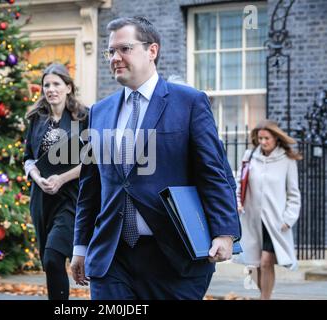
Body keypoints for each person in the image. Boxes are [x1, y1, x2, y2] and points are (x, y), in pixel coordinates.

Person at [70, 16, 241, 300]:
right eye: (111, 51)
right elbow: (91, 186)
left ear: (152, 51)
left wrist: (225, 232)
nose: (115, 57)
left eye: (124, 48)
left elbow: (213, 172)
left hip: (173, 257)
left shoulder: (189, 102)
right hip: (112, 257)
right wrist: (80, 247)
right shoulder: (99, 112)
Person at [23, 63, 88, 300]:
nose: (51, 89)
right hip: (41, 198)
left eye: (56, 84)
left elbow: (92, 161)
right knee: (50, 263)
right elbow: (28, 158)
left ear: (68, 87)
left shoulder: (83, 117)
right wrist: (38, 179)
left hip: (72, 198)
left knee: (53, 255)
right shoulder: (36, 119)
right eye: (46, 85)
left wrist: (61, 178)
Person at [235, 119, 301, 300]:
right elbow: (239, 184)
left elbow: (294, 193)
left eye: (267, 138)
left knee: (266, 262)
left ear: (276, 138)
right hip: (251, 219)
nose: (263, 142)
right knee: (253, 264)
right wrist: (237, 202)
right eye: (260, 138)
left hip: (275, 222)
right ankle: (266, 295)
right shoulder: (249, 156)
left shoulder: (287, 160)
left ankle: (265, 298)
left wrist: (289, 218)